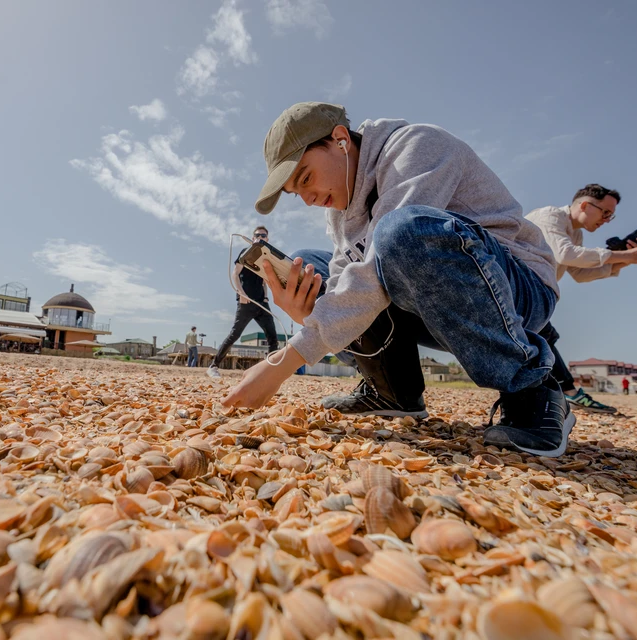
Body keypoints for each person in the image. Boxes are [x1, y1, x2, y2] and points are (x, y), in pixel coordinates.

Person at [222, 102, 573, 457]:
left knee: (400, 233)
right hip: (425, 301)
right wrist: (304, 315)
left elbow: (377, 268)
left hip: (515, 289)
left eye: (306, 178)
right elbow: (350, 287)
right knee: (310, 266)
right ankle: (392, 389)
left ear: (340, 139)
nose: (309, 199)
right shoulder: (339, 215)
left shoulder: (416, 146)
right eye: (297, 193)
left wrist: (283, 363)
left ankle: (532, 390)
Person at [526, 184, 637, 414]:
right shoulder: (551, 216)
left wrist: (628, 260)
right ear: (585, 205)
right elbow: (566, 254)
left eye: (611, 215)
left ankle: (557, 393)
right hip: (519, 286)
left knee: (542, 337)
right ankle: (566, 393)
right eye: (605, 212)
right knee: (543, 337)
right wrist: (624, 254)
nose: (607, 220)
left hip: (532, 292)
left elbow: (580, 273)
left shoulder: (576, 233)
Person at [207, 226, 281, 379]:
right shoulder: (245, 252)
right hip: (246, 301)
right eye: (257, 234)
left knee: (273, 336)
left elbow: (264, 281)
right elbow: (235, 274)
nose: (260, 237)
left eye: (264, 235)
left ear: (267, 239)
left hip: (262, 303)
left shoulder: (266, 257)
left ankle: (270, 372)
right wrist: (240, 293)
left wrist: (266, 297)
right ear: (253, 237)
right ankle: (213, 366)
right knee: (235, 334)